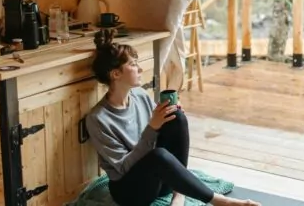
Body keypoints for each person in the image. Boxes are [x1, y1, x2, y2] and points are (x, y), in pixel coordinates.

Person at [84, 29, 261, 206]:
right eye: (133, 64)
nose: (140, 68)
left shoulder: (139, 96)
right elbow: (123, 168)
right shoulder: (98, 119)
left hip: (159, 180)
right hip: (132, 193)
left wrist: (168, 114)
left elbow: (160, 129)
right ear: (116, 74)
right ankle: (220, 201)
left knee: (177, 117)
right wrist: (152, 128)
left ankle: (179, 193)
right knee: (158, 155)